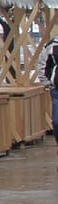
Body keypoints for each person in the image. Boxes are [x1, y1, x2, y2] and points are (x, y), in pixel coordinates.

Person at [43, 36, 58, 170]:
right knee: (57, 121)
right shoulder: (53, 45)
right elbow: (43, 65)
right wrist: (48, 82)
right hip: (57, 91)